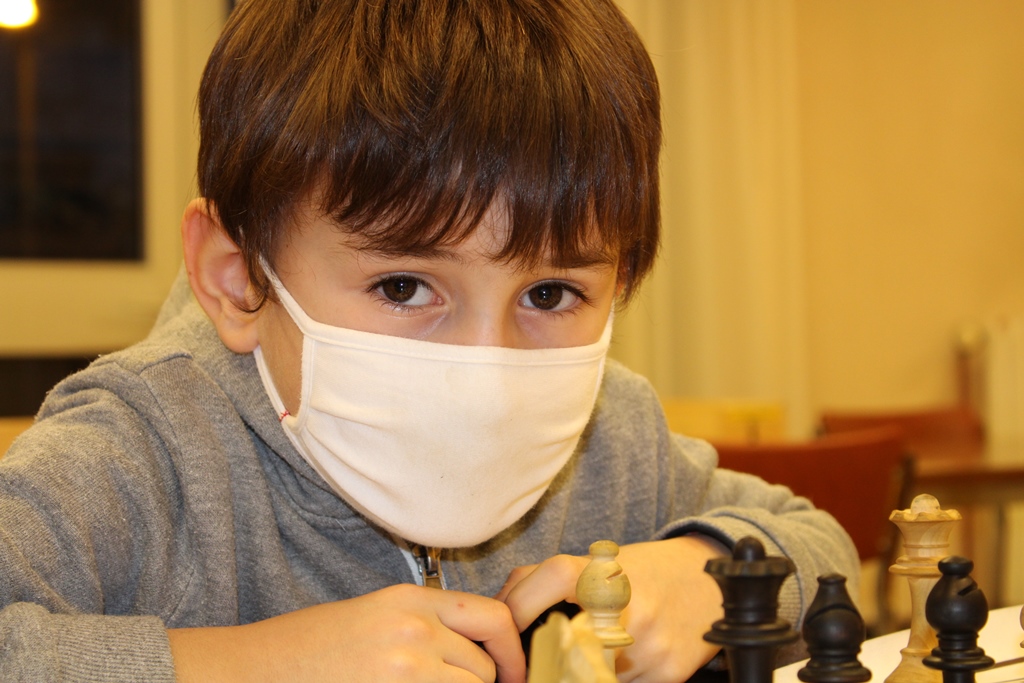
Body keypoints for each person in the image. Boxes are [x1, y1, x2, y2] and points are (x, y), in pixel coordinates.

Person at [0, 0, 859, 681]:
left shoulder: (613, 434)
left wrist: (703, 572)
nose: (486, 375)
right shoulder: (145, 450)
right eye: (404, 286)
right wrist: (256, 664)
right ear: (237, 278)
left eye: (550, 293)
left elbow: (821, 541)